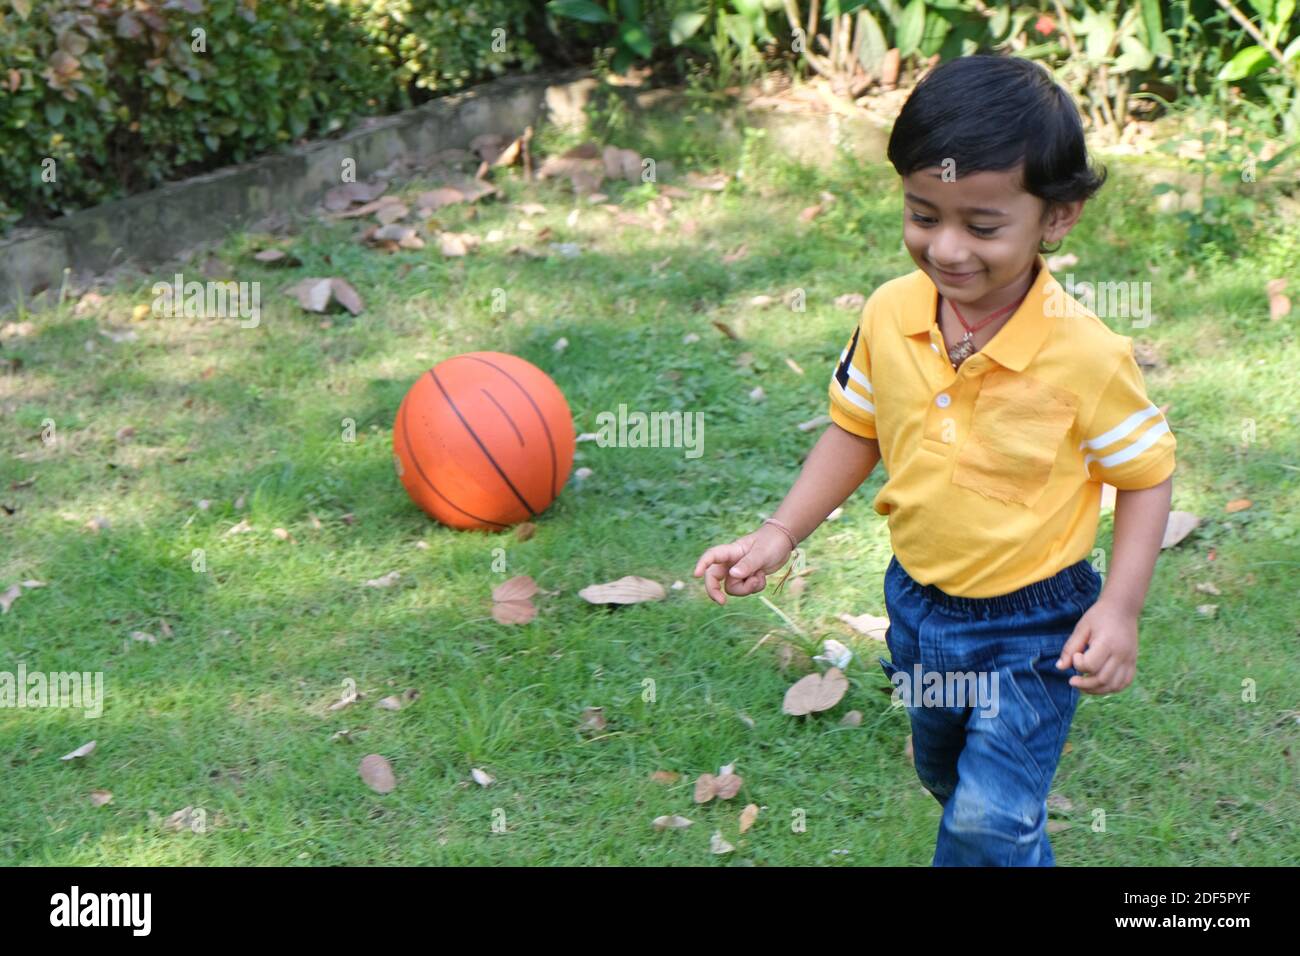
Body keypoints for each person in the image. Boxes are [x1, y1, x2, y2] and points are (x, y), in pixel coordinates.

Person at [691, 54, 1177, 866]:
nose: (947, 248)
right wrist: (780, 533)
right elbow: (857, 429)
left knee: (989, 820)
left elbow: (1147, 476)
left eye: (982, 225)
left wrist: (1119, 609)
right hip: (918, 607)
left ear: (1057, 218)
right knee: (951, 777)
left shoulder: (1086, 357)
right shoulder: (891, 313)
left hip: (1036, 623)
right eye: (923, 214)